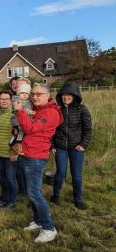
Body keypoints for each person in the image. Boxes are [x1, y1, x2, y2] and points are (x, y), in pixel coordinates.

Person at [14, 83, 63, 243]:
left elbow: (30, 128)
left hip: (35, 158)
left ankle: (49, 228)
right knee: (31, 192)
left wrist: (20, 111)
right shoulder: (41, 110)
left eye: (38, 94)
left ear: (48, 95)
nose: (34, 97)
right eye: (33, 94)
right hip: (27, 154)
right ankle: (39, 220)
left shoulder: (50, 113)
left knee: (35, 193)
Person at [51, 82, 92, 210]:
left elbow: (88, 129)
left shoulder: (82, 109)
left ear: (75, 96)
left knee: (76, 174)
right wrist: (52, 145)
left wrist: (83, 144)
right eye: (64, 95)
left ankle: (77, 199)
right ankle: (56, 196)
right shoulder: (57, 110)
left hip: (76, 148)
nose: (66, 97)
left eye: (69, 95)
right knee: (61, 172)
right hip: (61, 147)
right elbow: (51, 129)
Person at [0, 90, 17, 209]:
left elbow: (18, 135)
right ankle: (4, 196)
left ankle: (12, 200)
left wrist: (15, 151)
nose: (4, 101)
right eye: (2, 99)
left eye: (7, 99)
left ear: (11, 101)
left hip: (10, 153)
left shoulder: (15, 115)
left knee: (10, 177)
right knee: (0, 176)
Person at [10, 84, 34, 155]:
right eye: (22, 93)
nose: (24, 95)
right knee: (20, 133)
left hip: (24, 121)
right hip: (17, 121)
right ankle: (16, 145)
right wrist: (28, 111)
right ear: (18, 93)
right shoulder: (17, 100)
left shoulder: (28, 101)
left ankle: (14, 144)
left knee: (21, 134)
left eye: (26, 93)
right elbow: (18, 108)